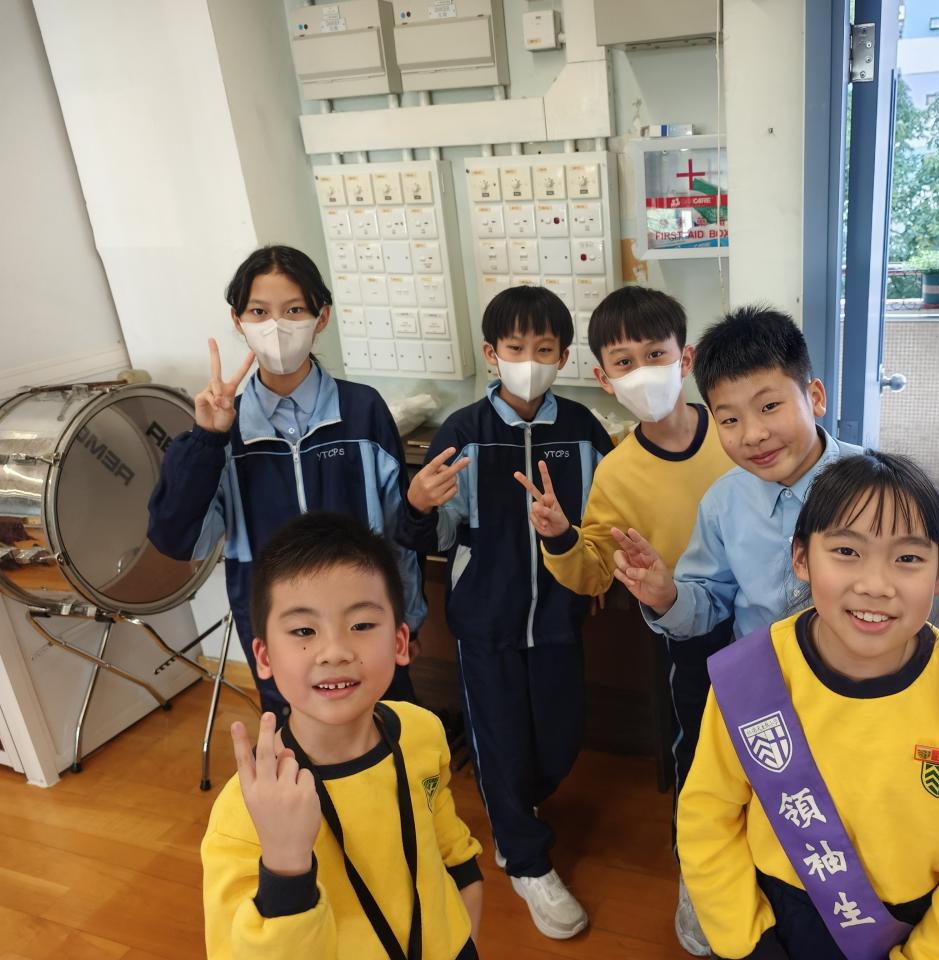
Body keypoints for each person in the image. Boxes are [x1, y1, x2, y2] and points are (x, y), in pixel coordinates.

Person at [678, 453, 939, 959]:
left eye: (908, 559)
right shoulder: (750, 675)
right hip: (771, 918)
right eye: (846, 550)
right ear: (801, 558)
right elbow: (707, 813)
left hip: (908, 929)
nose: (875, 585)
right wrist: (746, 939)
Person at [515, 285, 734, 955]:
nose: (642, 372)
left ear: (684, 358)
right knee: (701, 766)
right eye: (624, 362)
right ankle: (699, 883)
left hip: (770, 624)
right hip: (689, 636)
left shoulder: (734, 433)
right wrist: (559, 535)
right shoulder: (616, 471)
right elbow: (593, 571)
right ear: (604, 377)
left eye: (655, 354)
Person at [396, 285, 613, 941]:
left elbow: (605, 519)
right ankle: (525, 859)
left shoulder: (582, 429)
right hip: (486, 621)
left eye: (544, 349)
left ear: (564, 357)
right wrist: (419, 504)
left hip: (559, 619)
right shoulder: (465, 432)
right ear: (492, 354)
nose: (529, 361)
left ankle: (517, 807)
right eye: (515, 348)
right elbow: (433, 536)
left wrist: (594, 566)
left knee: (559, 738)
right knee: (498, 743)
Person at [147, 245, 424, 718]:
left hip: (366, 618)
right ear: (238, 321)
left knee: (390, 730)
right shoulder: (224, 430)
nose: (276, 326)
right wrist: (207, 440)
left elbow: (399, 530)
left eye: (293, 310)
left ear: (321, 317)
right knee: (301, 744)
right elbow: (179, 540)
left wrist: (409, 618)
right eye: (260, 312)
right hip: (279, 631)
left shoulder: (362, 410)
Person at [201, 512, 482, 959]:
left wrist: (465, 926)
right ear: (264, 656)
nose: (334, 652)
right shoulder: (245, 812)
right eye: (303, 631)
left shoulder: (421, 730)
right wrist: (285, 865)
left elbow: (445, 835)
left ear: (400, 642)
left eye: (362, 625)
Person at [611, 304, 939, 652]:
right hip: (763, 675)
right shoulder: (723, 503)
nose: (753, 435)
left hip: (867, 675)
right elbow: (707, 602)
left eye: (769, 407)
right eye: (730, 420)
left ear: (815, 398)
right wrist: (667, 596)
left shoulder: (892, 494)